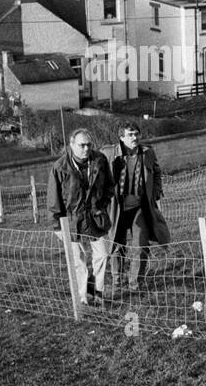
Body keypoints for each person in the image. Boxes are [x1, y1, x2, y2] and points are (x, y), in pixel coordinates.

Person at [47, 128, 114, 305]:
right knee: (78, 261)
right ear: (71, 145)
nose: (86, 149)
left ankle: (98, 292)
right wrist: (57, 227)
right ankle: (83, 297)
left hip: (96, 217)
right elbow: (53, 200)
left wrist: (101, 205)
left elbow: (109, 186)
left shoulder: (100, 160)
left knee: (103, 255)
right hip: (72, 220)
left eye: (89, 145)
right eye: (82, 145)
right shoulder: (60, 167)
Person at [103, 124, 169, 294]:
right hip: (116, 208)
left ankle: (135, 284)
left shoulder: (147, 152)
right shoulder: (108, 153)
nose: (135, 138)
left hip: (139, 207)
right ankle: (117, 282)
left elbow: (156, 172)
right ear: (121, 137)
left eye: (137, 134)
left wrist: (155, 193)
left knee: (141, 245)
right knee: (117, 245)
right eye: (130, 134)